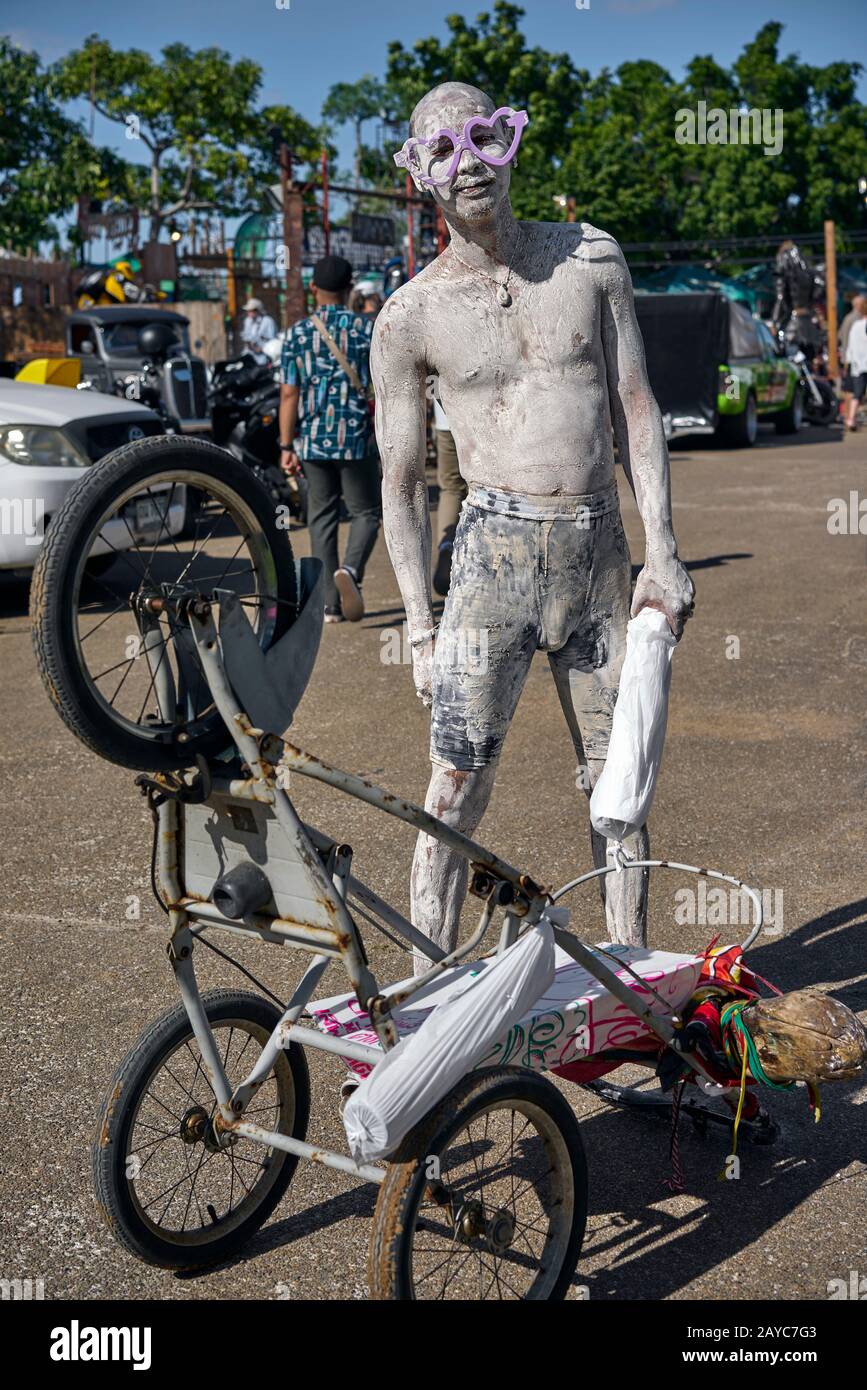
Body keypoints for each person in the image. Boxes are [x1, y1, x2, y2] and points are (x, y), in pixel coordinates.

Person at [371, 83, 694, 970]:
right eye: (441, 150)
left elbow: (635, 408)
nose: (466, 162)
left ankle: (633, 982)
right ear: (417, 172)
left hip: (598, 559)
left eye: (481, 138)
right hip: (489, 564)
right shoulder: (408, 317)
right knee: (454, 786)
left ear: (510, 140)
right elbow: (397, 482)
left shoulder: (590, 260)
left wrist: (661, 551)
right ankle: (421, 1004)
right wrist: (418, 624)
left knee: (616, 784)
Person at [279, 254, 382, 622]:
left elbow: (289, 393)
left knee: (320, 518)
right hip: (355, 437)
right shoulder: (365, 328)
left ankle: (328, 605)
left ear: (313, 288)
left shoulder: (296, 334)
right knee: (367, 512)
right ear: (349, 287)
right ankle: (351, 571)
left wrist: (286, 444)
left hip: (311, 440)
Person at [431, 396, 466, 595]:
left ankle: (446, 547)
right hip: (488, 417)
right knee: (485, 490)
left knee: (451, 489)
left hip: (445, 419)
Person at [843, 297, 867, 432]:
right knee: (856, 392)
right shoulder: (854, 321)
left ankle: (850, 418)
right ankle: (850, 418)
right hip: (860, 363)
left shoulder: (855, 324)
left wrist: (848, 361)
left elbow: (849, 345)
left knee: (856, 393)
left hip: (857, 363)